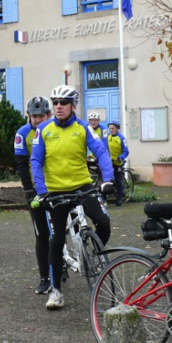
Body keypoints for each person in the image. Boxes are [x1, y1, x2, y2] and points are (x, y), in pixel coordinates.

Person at [30, 85, 114, 310]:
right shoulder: (44, 129)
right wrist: (41, 191)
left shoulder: (84, 128)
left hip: (83, 187)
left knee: (104, 222)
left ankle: (93, 255)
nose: (58, 106)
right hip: (55, 191)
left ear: (73, 106)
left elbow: (101, 152)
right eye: (55, 102)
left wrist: (108, 179)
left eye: (63, 103)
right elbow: (36, 162)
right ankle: (56, 291)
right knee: (56, 241)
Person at [14, 96, 53, 294]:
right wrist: (29, 191)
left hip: (57, 187)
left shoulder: (55, 131)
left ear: (49, 115)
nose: (37, 120)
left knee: (60, 230)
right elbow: (22, 166)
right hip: (36, 190)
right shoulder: (22, 134)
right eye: (33, 116)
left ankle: (61, 263)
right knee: (42, 234)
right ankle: (45, 277)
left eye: (41, 116)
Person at [104, 121, 129, 206]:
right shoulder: (107, 137)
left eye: (113, 128)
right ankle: (104, 199)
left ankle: (119, 198)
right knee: (106, 180)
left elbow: (126, 151)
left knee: (118, 180)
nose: (111, 130)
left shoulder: (122, 138)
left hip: (118, 162)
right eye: (110, 128)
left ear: (117, 128)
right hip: (109, 162)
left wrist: (120, 158)